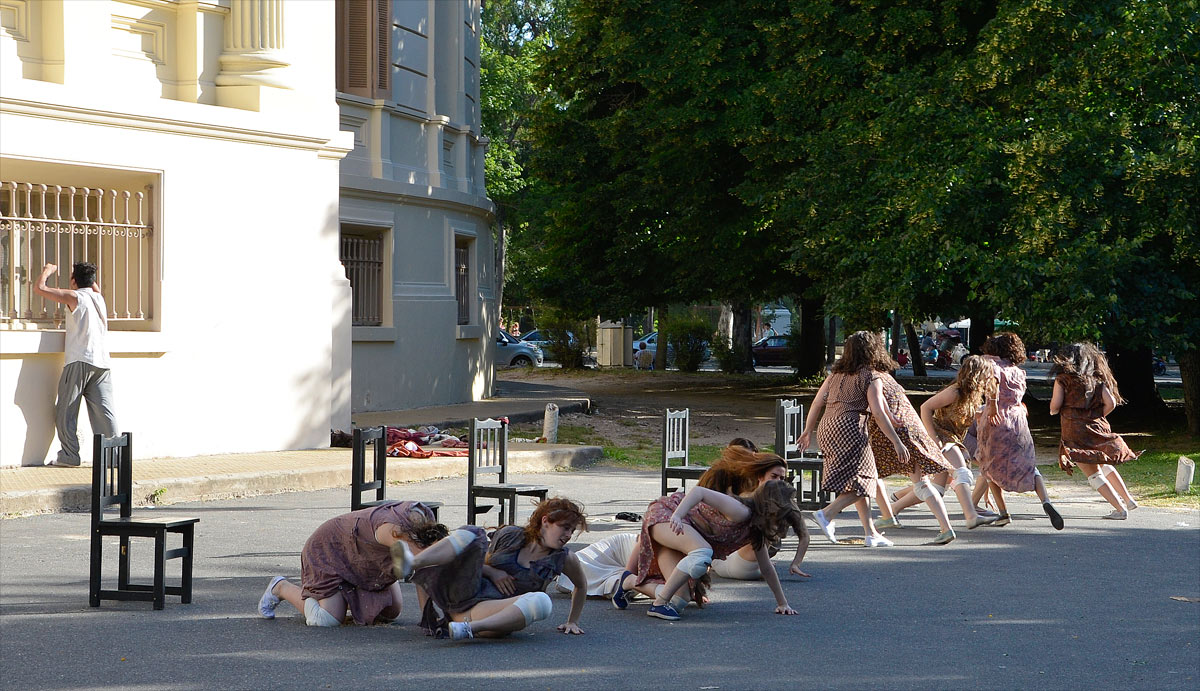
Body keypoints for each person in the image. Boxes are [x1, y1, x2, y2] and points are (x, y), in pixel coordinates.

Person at [392, 497, 589, 640]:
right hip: (465, 592)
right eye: (564, 527)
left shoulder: (563, 558)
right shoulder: (511, 535)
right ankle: (412, 562)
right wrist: (494, 572)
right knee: (474, 532)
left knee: (542, 601)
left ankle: (468, 629)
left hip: (490, 614)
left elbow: (581, 585)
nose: (568, 535)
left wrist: (572, 621)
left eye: (572, 530)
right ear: (545, 521)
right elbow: (480, 565)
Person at [613, 480, 799, 621]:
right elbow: (699, 491)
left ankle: (629, 581)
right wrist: (678, 515)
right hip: (667, 516)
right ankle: (658, 604)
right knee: (702, 552)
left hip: (681, 534)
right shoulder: (741, 510)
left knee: (680, 599)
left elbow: (766, 567)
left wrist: (782, 603)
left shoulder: (755, 529)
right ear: (770, 509)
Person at [797, 331, 908, 548]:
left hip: (827, 427)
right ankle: (826, 514)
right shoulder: (870, 376)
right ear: (873, 350)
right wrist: (896, 441)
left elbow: (818, 403)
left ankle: (870, 533)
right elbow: (876, 411)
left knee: (858, 480)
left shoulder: (835, 374)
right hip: (850, 428)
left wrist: (808, 429)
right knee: (867, 479)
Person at [257, 501, 447, 626]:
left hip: (364, 559)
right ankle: (281, 587)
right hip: (331, 548)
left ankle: (341, 597)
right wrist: (429, 617)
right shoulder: (392, 530)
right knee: (325, 620)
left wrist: (426, 616)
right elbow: (421, 570)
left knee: (391, 612)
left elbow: (425, 565)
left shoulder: (425, 519)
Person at [889, 356, 1000, 529]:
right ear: (978, 374)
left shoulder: (974, 395)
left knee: (936, 490)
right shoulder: (955, 391)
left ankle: (892, 509)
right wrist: (934, 439)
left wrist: (989, 403)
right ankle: (971, 516)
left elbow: (967, 416)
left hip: (953, 438)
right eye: (988, 374)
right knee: (962, 473)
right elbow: (926, 407)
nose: (990, 378)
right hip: (941, 436)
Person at [972, 332, 1064, 529]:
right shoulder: (1019, 372)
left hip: (996, 420)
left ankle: (1003, 513)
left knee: (989, 467)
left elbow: (993, 382)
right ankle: (1046, 501)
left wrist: (992, 405)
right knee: (1029, 466)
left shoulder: (992, 365)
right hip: (1018, 420)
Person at [32, 262, 118, 467]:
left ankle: (70, 455)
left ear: (73, 281)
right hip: (102, 363)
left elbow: (40, 289)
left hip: (80, 360)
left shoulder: (75, 297)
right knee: (105, 412)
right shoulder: (99, 298)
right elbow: (93, 286)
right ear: (93, 281)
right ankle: (114, 457)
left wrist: (47, 271)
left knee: (66, 410)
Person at [1050, 343, 1142, 518]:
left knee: (1093, 474)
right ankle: (1128, 500)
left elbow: (1055, 405)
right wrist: (1096, 416)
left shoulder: (1063, 379)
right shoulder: (1097, 380)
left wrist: (1054, 410)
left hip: (1074, 430)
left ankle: (1120, 509)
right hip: (1098, 427)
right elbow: (1111, 403)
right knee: (1103, 464)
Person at [865, 371, 959, 544]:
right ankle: (944, 528)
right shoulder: (886, 376)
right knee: (921, 483)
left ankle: (888, 516)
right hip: (911, 429)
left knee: (872, 473)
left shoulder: (868, 378)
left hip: (897, 433)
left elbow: (878, 410)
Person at [698, 443, 811, 578]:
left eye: (782, 478)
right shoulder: (744, 495)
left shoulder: (785, 502)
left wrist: (796, 563)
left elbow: (804, 536)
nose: (778, 481)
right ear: (760, 477)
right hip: (723, 560)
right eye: (773, 476)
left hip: (745, 566)